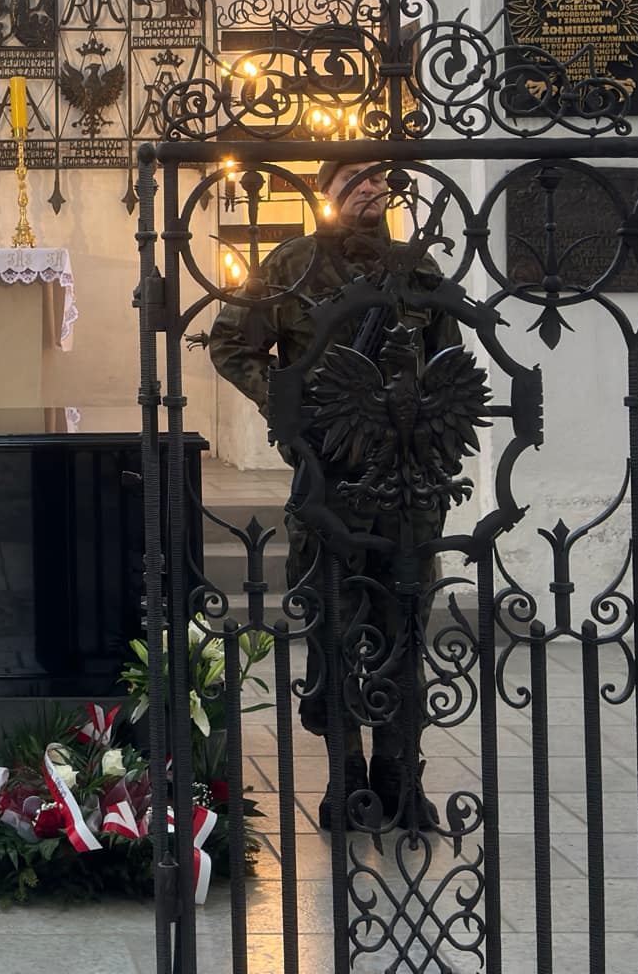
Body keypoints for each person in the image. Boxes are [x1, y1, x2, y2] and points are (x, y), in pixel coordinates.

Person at [205, 159, 471, 832]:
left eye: (379, 178)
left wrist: (435, 442)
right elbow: (231, 343)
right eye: (354, 178)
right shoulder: (293, 264)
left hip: (408, 481)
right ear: (324, 192)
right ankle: (346, 774)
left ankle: (400, 776)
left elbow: (450, 358)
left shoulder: (417, 268)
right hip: (331, 478)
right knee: (336, 625)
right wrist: (292, 410)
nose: (370, 188)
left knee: (404, 626)